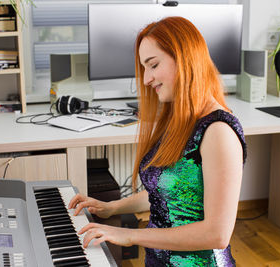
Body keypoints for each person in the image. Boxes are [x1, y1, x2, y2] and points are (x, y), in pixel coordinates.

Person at [69, 16, 247, 266]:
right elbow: (166, 192)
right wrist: (111, 207)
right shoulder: (179, 119)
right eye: (144, 68)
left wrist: (130, 235)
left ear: (185, 58)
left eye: (153, 65)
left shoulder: (219, 131)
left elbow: (216, 234)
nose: (146, 79)